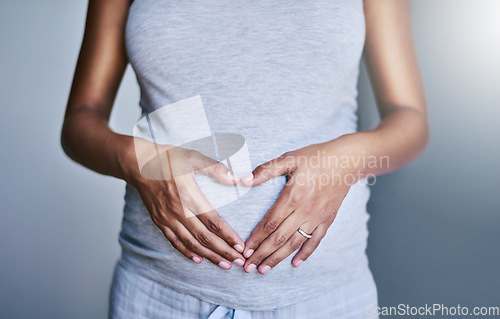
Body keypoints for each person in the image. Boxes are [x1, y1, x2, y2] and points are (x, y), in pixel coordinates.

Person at [61, 0, 428, 318]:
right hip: (160, 293)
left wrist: (349, 158)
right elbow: (80, 120)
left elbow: (410, 119)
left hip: (324, 297)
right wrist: (136, 159)